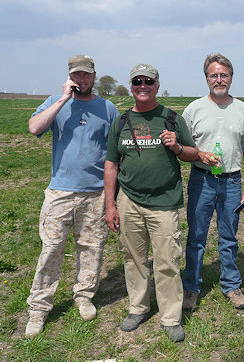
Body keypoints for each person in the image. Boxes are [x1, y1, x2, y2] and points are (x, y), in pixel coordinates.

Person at [25, 55, 120, 337]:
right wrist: (63, 100)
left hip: (95, 193)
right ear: (69, 77)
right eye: (77, 76)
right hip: (60, 192)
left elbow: (116, 150)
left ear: (94, 76)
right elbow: (34, 128)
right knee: (51, 248)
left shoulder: (108, 108)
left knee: (91, 247)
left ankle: (84, 296)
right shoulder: (56, 102)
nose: (82, 80)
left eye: (86, 75)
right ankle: (39, 307)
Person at [104, 63, 198, 342]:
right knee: (133, 258)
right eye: (137, 82)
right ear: (131, 87)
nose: (142, 86)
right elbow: (111, 165)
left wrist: (177, 147)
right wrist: (110, 205)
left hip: (164, 202)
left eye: (148, 81)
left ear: (157, 85)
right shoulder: (120, 122)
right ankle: (138, 307)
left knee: (167, 260)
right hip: (128, 200)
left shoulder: (171, 119)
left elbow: (193, 153)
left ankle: (170, 317)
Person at [181, 53, 244, 311]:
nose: (219, 79)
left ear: (231, 78)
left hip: (232, 183)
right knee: (196, 236)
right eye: (214, 75)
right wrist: (199, 154)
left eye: (224, 75)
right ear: (206, 78)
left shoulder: (242, 109)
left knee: (229, 236)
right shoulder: (193, 109)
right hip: (202, 181)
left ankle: (232, 286)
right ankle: (191, 287)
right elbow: (183, 147)